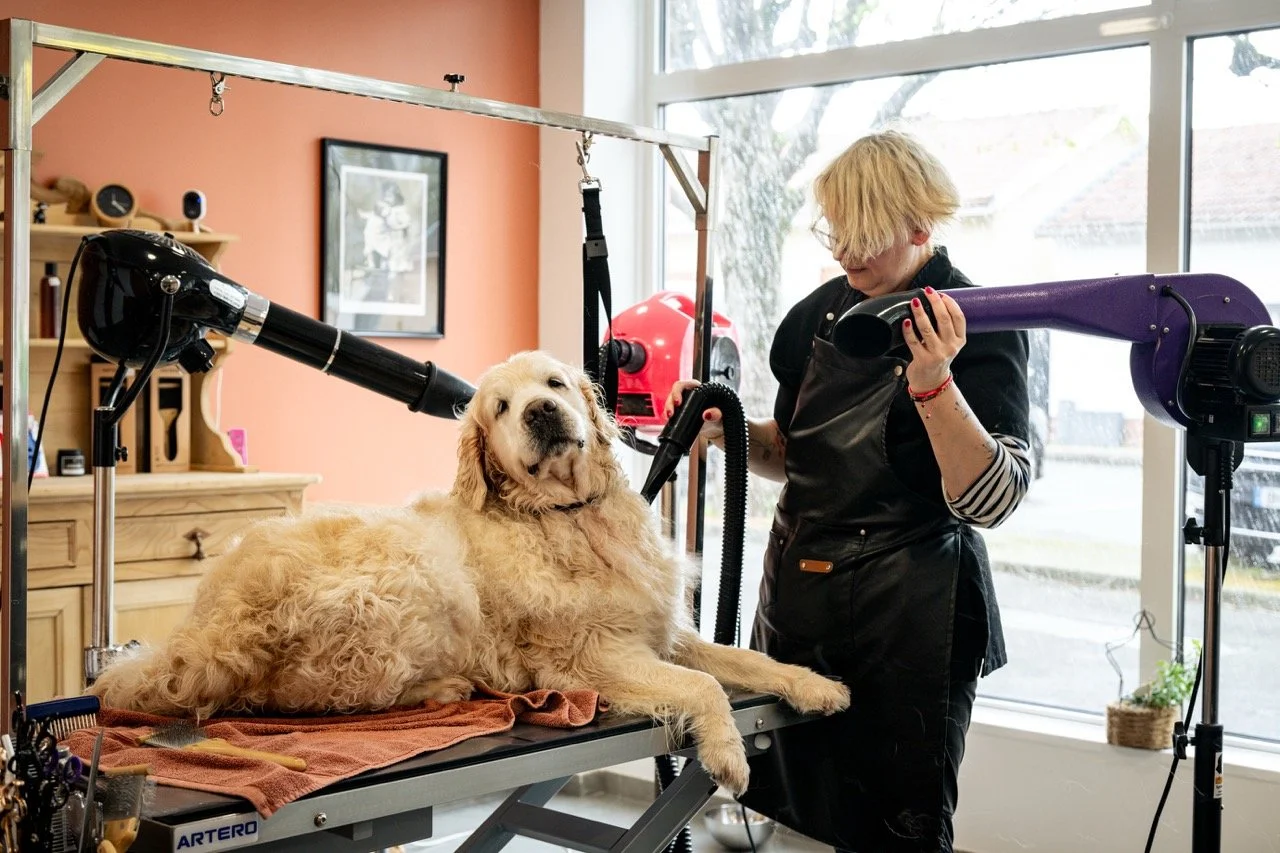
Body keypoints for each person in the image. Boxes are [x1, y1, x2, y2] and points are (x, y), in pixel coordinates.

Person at [664, 129, 1032, 852]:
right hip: (804, 610)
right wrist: (725, 429)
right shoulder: (816, 316)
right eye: (837, 232)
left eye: (865, 236)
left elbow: (992, 500)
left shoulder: (982, 323)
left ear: (921, 225)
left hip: (911, 627)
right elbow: (799, 454)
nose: (845, 254)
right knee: (800, 814)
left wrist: (934, 385)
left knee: (899, 830)